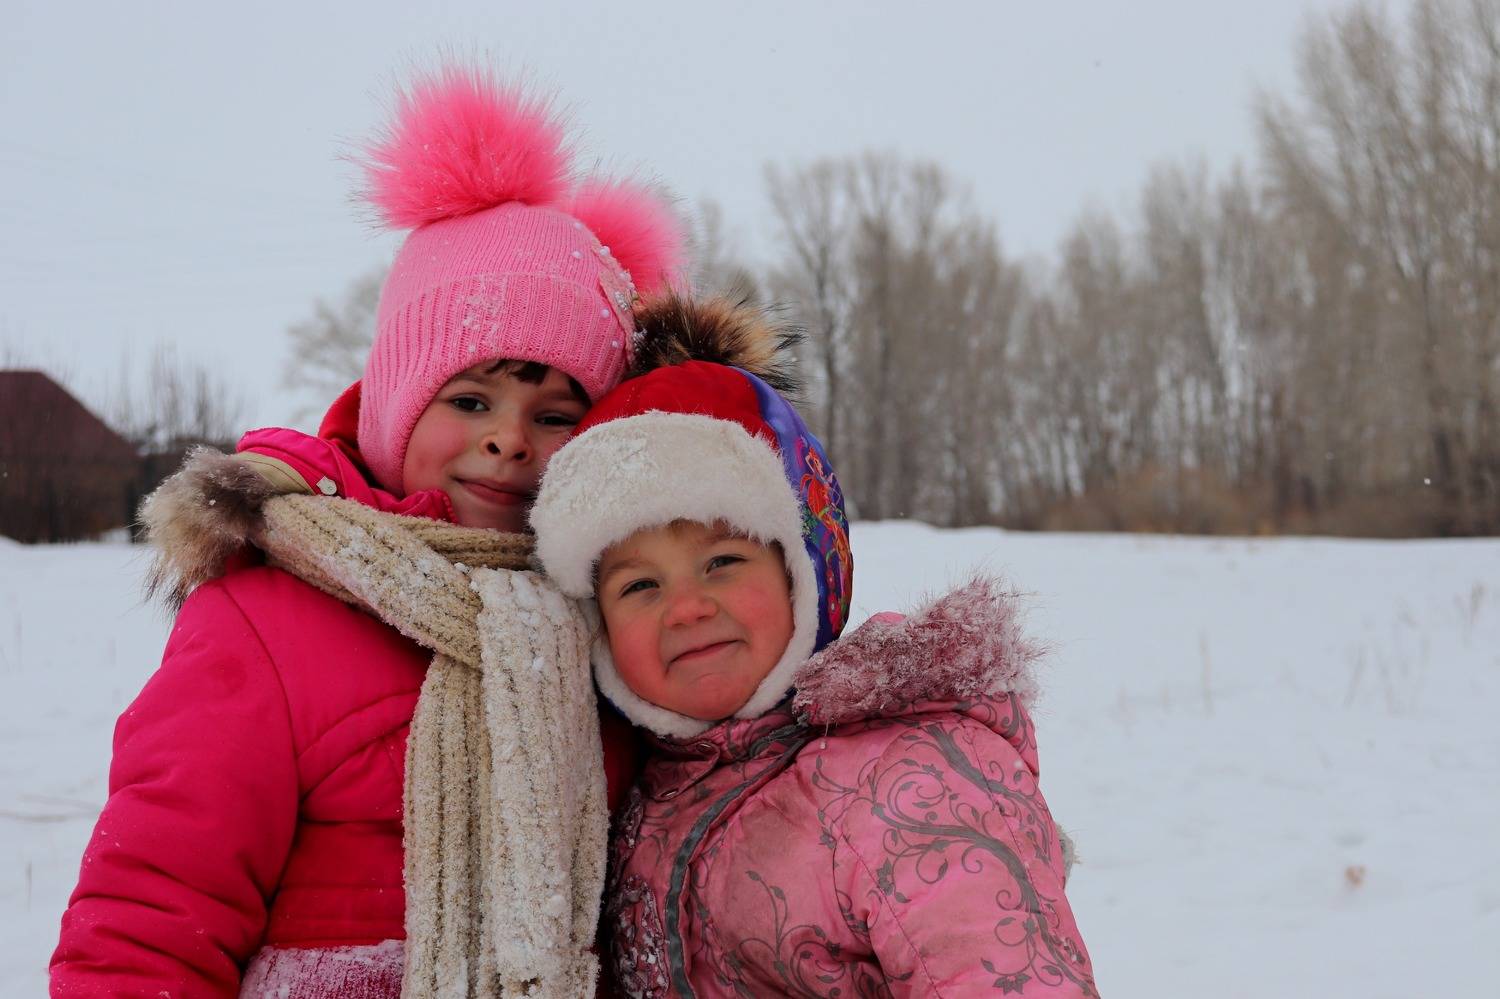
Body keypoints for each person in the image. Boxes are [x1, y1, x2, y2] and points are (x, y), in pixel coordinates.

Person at [50, 63, 684, 999]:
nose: (510, 439)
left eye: (556, 415)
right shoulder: (267, 619)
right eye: (470, 400)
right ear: (394, 405)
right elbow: (151, 921)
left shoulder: (605, 621)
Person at [527, 294, 1099, 998]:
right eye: (640, 585)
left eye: (722, 563)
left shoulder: (910, 782)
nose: (687, 608)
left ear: (806, 574)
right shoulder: (642, 790)